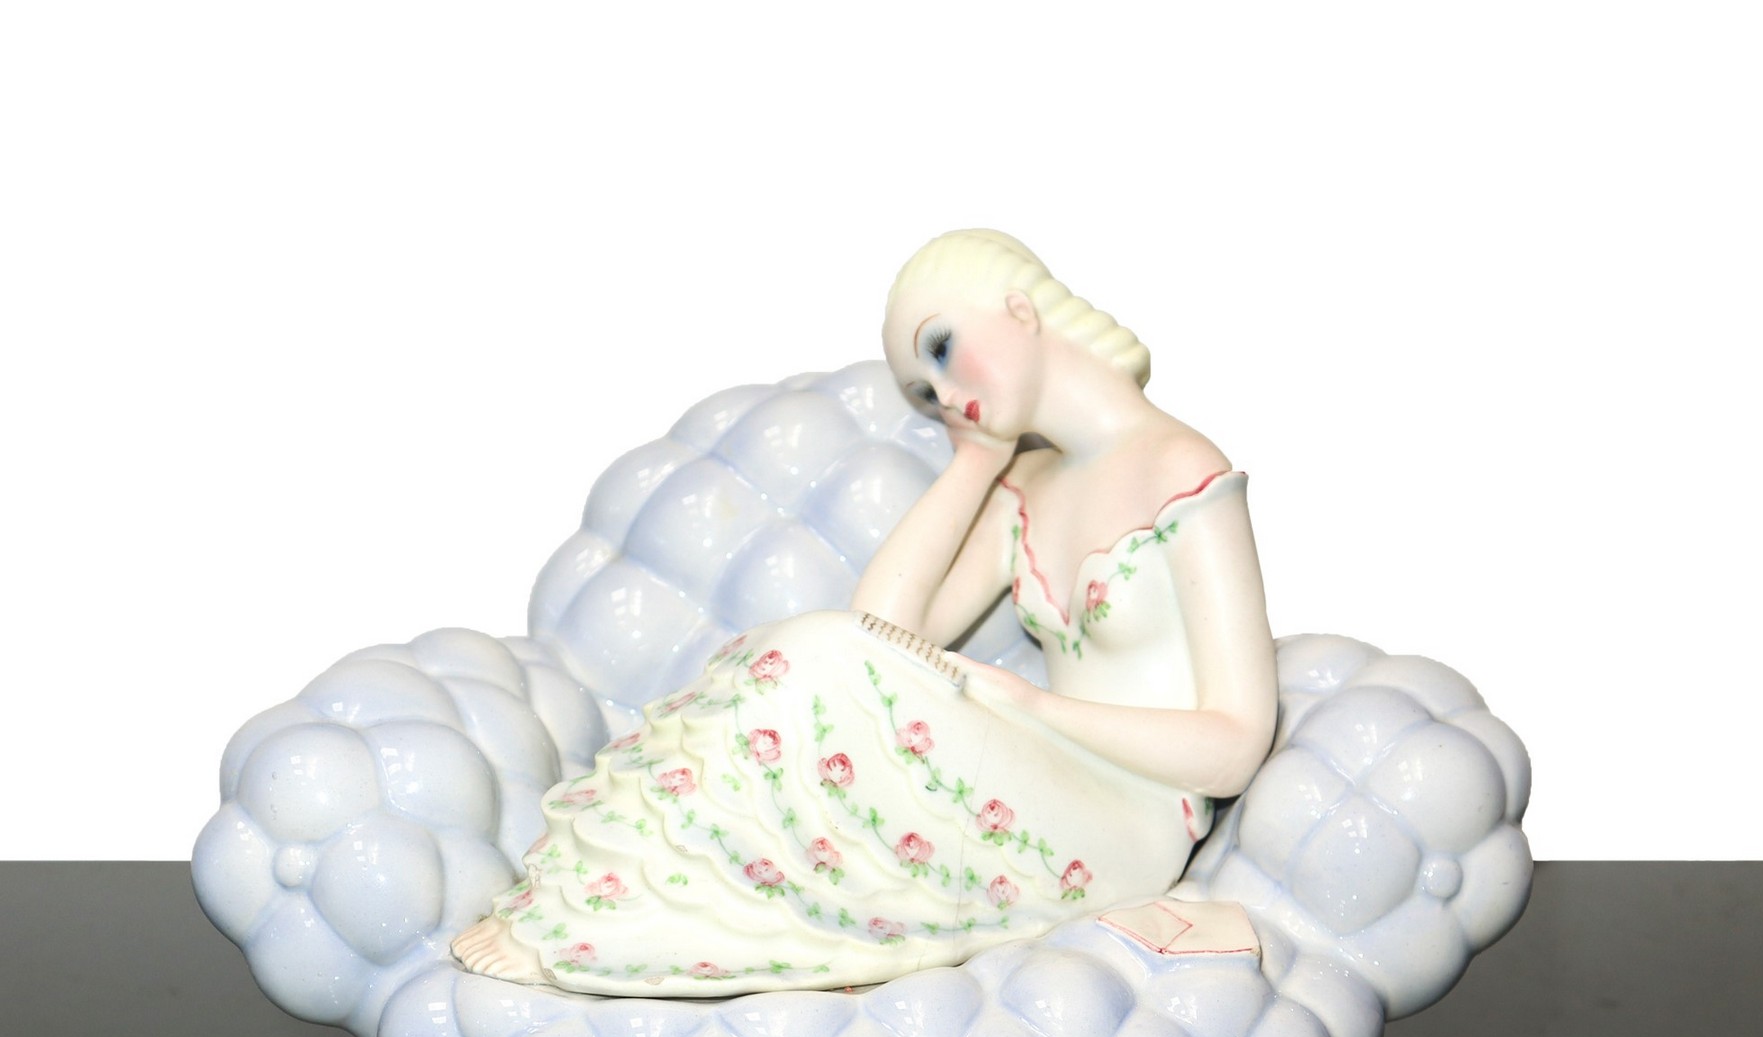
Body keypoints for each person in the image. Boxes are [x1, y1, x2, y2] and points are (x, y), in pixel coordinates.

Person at [452, 230, 1277, 995]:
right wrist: (977, 461)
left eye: (942, 350)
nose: (945, 394)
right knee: (812, 655)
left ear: (1020, 310)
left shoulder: (1179, 467)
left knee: (819, 657)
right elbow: (882, 631)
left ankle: (606, 918)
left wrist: (1033, 706)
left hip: (1128, 819)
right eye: (926, 391)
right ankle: (600, 892)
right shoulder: (1027, 489)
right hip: (1042, 766)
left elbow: (1237, 743)